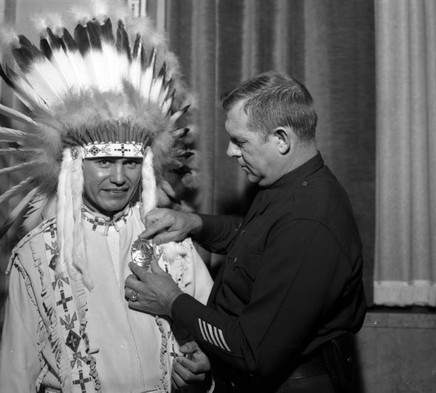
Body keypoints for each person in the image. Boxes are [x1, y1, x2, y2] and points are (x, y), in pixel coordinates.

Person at [0, 2, 214, 392]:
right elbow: (16, 376)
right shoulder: (35, 258)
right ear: (75, 165)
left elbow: (212, 341)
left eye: (132, 164)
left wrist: (202, 367)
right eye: (104, 162)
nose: (119, 178)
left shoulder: (175, 249)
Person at [124, 70, 367, 393]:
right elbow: (258, 238)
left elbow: (253, 351)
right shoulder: (288, 185)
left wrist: (171, 300)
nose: (230, 152)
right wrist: (196, 224)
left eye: (240, 141)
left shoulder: (309, 221)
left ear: (281, 139)